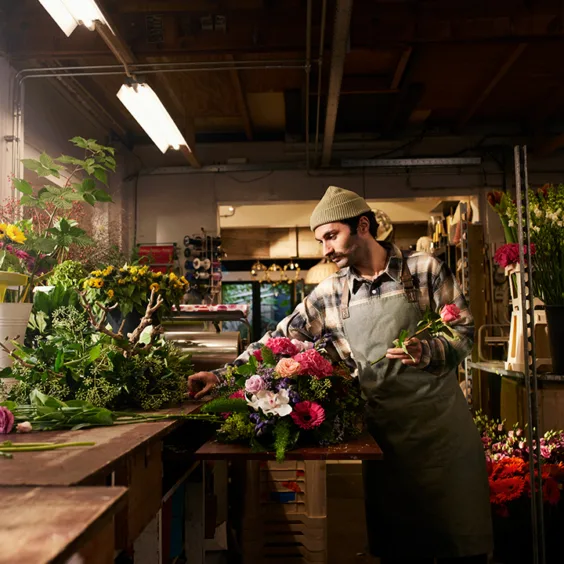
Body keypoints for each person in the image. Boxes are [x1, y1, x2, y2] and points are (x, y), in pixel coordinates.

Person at [188, 186, 493, 564]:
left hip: (444, 438)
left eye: (331, 236)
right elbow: (277, 340)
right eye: (320, 240)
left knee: (461, 548)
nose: (325, 249)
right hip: (386, 444)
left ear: (362, 226)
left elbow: (463, 332)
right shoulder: (331, 294)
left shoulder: (424, 269)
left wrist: (428, 350)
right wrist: (222, 377)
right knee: (401, 550)